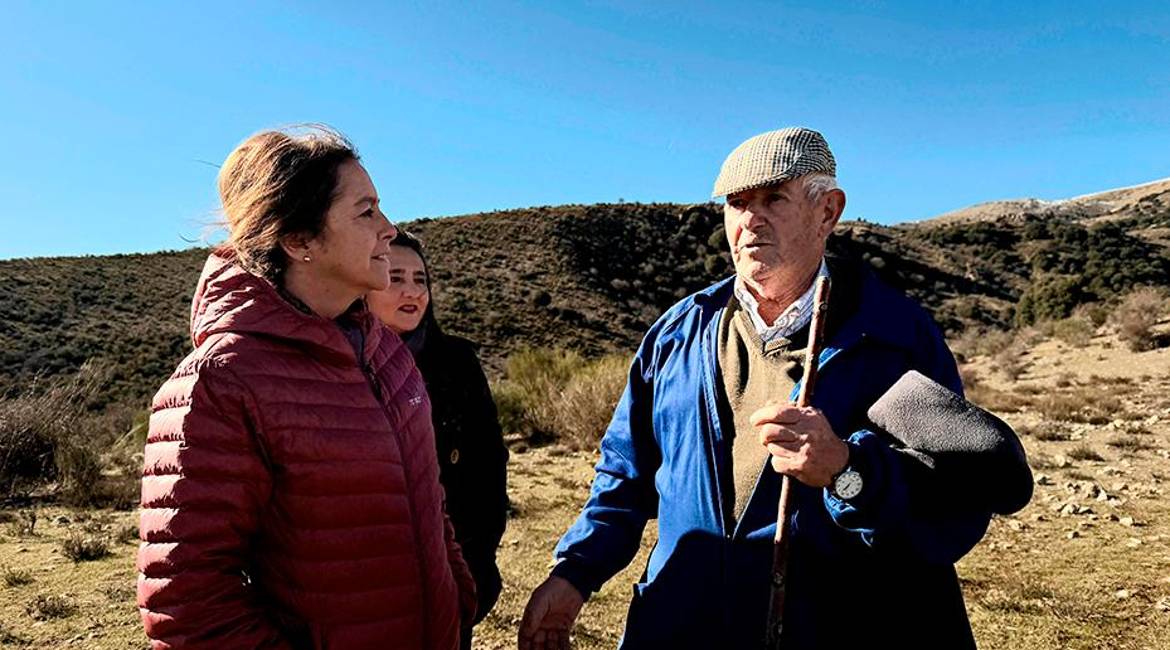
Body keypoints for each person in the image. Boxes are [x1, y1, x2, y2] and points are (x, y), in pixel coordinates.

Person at [519, 127, 993, 649]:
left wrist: (847, 470)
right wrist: (575, 573)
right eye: (737, 203)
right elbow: (625, 474)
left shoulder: (895, 337)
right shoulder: (678, 333)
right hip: (681, 625)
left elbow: (953, 500)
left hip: (842, 628)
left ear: (828, 212)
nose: (750, 220)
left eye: (774, 199)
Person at [137, 126, 476, 649]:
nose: (389, 230)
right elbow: (189, 602)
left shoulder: (387, 355)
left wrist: (458, 595)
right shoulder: (222, 380)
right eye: (366, 213)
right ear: (299, 241)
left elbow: (426, 500)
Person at [368, 231, 510, 650]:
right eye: (395, 277)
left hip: (449, 579)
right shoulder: (339, 365)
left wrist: (475, 569)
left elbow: (489, 469)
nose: (412, 292)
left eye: (421, 279)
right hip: (364, 587)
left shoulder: (457, 363)